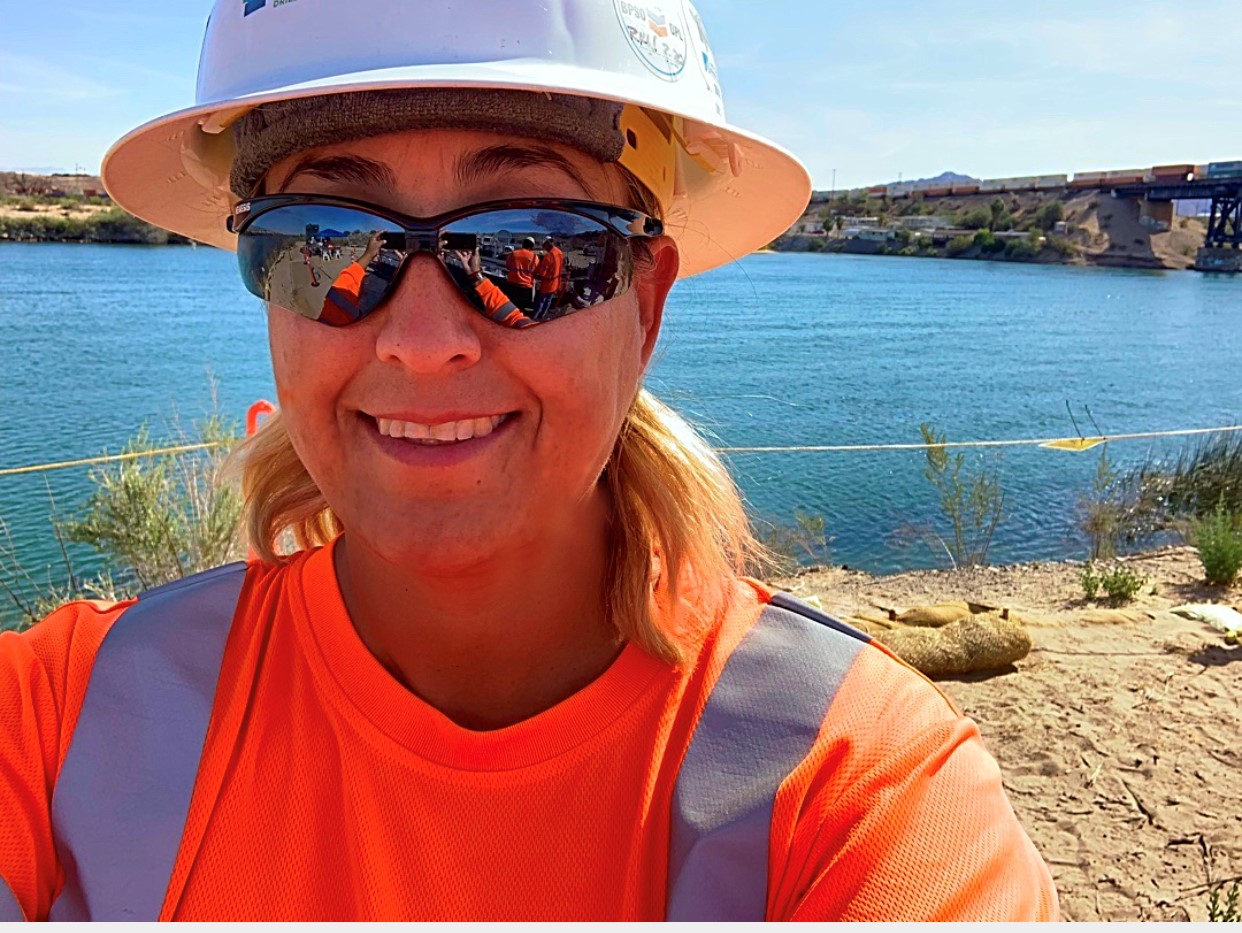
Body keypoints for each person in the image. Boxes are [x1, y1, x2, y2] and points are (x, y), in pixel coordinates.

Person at [0, 0, 1058, 922]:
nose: (422, 342)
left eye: (527, 250)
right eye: (324, 242)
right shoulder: (58, 720)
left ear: (643, 302)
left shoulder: (858, 795)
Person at [533, 237, 566, 319]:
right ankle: (543, 316)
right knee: (548, 300)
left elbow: (542, 273)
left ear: (548, 243)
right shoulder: (559, 252)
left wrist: (534, 274)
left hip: (547, 284)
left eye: (544, 245)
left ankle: (535, 318)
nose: (544, 248)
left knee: (541, 301)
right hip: (555, 283)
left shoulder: (548, 256)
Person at [504, 235, 538, 307]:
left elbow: (508, 266)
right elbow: (536, 271)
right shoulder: (535, 257)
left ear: (523, 244)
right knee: (520, 308)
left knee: (510, 306)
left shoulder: (514, 254)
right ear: (532, 247)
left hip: (512, 284)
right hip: (525, 287)